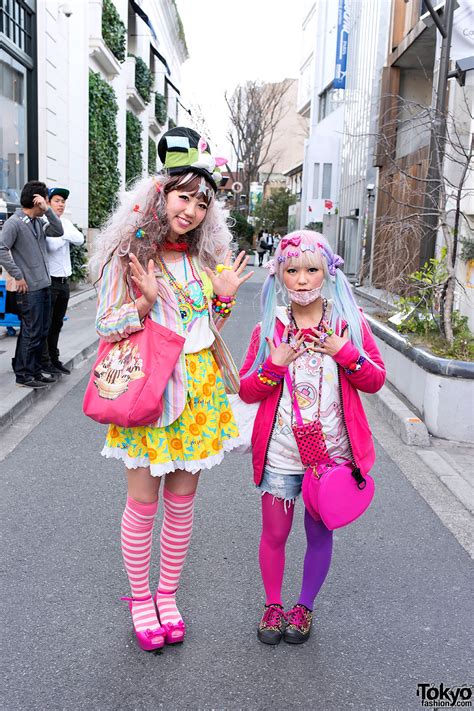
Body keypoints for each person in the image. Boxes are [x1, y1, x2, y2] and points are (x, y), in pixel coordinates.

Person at [93, 126, 253, 651]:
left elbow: (205, 330)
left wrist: (224, 300)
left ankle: (168, 595)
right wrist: (140, 304)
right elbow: (105, 325)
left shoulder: (204, 260)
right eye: (184, 196)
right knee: (143, 501)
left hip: (201, 388)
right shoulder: (132, 256)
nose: (191, 210)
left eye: (202, 202)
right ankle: (140, 599)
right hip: (151, 390)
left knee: (183, 503)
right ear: (160, 195)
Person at [239, 230, 385, 645]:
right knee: (275, 534)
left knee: (320, 534)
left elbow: (375, 380)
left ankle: (303, 606)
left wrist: (345, 352)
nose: (302, 279)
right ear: (280, 275)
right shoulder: (269, 328)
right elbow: (248, 390)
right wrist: (275, 364)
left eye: (311, 269)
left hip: (333, 458)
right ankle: (272, 605)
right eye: (292, 270)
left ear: (328, 273)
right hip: (281, 455)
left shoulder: (349, 326)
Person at [0, 180, 64, 388]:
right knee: (31, 331)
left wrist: (48, 212)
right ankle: (24, 375)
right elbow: (1, 249)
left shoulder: (38, 222)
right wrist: (17, 275)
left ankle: (33, 371)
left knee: (40, 331)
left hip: (43, 285)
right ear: (36, 200)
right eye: (45, 199)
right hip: (29, 289)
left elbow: (58, 230)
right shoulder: (14, 222)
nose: (47, 202)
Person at [41, 187, 85, 375]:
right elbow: (52, 245)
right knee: (47, 324)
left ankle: (54, 358)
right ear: (48, 202)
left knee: (58, 323)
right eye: (57, 201)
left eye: (63, 201)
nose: (61, 204)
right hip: (50, 282)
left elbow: (80, 239)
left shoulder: (64, 222)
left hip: (64, 282)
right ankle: (45, 362)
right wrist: (65, 234)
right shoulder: (44, 222)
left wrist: (63, 232)